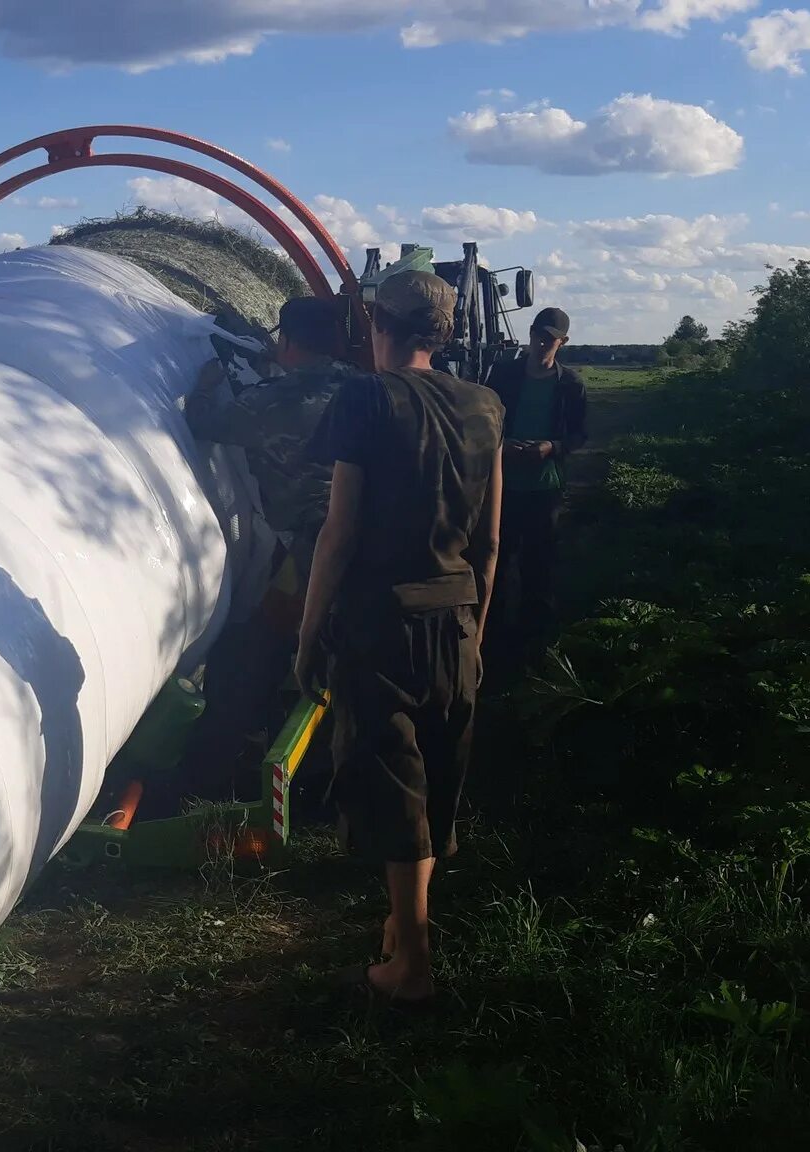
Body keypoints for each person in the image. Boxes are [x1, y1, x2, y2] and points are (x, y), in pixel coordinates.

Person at [296, 270, 504, 1003]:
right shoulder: (486, 405)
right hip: (456, 617)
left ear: (380, 324)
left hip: (383, 623)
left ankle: (411, 967)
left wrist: (308, 631)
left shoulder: (365, 398)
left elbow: (339, 533)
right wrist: (475, 628)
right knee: (437, 778)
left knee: (394, 787)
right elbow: (488, 545)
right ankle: (402, 928)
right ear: (442, 333)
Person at [177, 296, 373, 802]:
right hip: (377, 536)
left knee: (263, 651)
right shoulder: (365, 387)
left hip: (314, 548)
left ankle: (224, 770)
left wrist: (204, 387)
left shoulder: (273, 402)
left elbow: (205, 425)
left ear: (285, 342)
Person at [483, 307, 587, 672]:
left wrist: (551, 448)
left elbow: (577, 435)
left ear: (563, 342)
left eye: (550, 339)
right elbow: (485, 421)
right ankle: (491, 637)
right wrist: (503, 445)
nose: (542, 343)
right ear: (529, 334)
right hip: (502, 484)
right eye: (538, 336)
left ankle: (536, 645)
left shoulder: (570, 385)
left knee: (539, 564)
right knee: (495, 558)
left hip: (546, 487)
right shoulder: (503, 375)